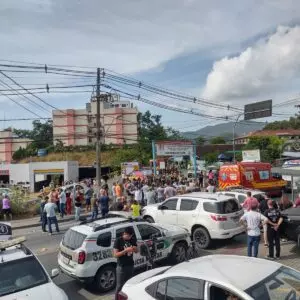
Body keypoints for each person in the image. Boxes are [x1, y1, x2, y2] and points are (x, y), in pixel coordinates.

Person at [113, 227, 138, 300]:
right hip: (121, 266)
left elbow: (137, 251)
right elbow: (115, 255)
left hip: (130, 265)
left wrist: (134, 248)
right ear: (125, 234)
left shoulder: (132, 240)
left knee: (128, 284)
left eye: (131, 236)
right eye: (129, 236)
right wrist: (125, 251)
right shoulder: (118, 241)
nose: (130, 237)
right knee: (119, 286)